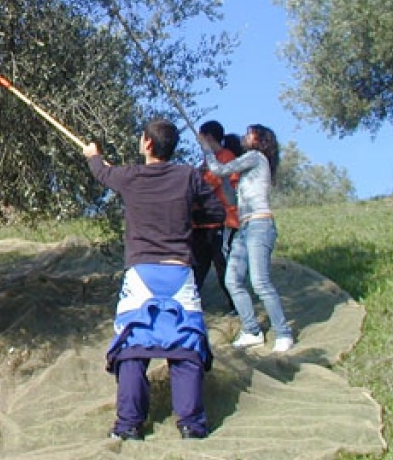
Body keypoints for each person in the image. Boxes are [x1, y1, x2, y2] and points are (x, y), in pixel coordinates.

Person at [84, 119, 225, 441]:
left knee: (133, 347)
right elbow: (216, 211)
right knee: (186, 347)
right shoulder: (188, 175)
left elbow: (103, 173)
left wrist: (92, 155)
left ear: (147, 143)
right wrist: (190, 221)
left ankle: (129, 425)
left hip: (142, 274)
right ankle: (192, 424)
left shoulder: (130, 177)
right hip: (179, 272)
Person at [198, 124, 293, 353]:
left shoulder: (255, 157)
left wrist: (207, 150)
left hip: (260, 224)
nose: (244, 135)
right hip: (245, 227)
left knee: (260, 282)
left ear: (259, 140)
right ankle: (251, 330)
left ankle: (283, 332)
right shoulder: (248, 163)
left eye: (249, 133)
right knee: (232, 280)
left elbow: (219, 170)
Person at [190, 121, 238, 314]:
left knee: (223, 266)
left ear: (209, 137)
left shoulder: (225, 158)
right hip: (201, 224)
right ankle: (190, 304)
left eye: (201, 138)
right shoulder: (207, 162)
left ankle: (236, 306)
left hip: (222, 221)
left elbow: (208, 186)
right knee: (197, 267)